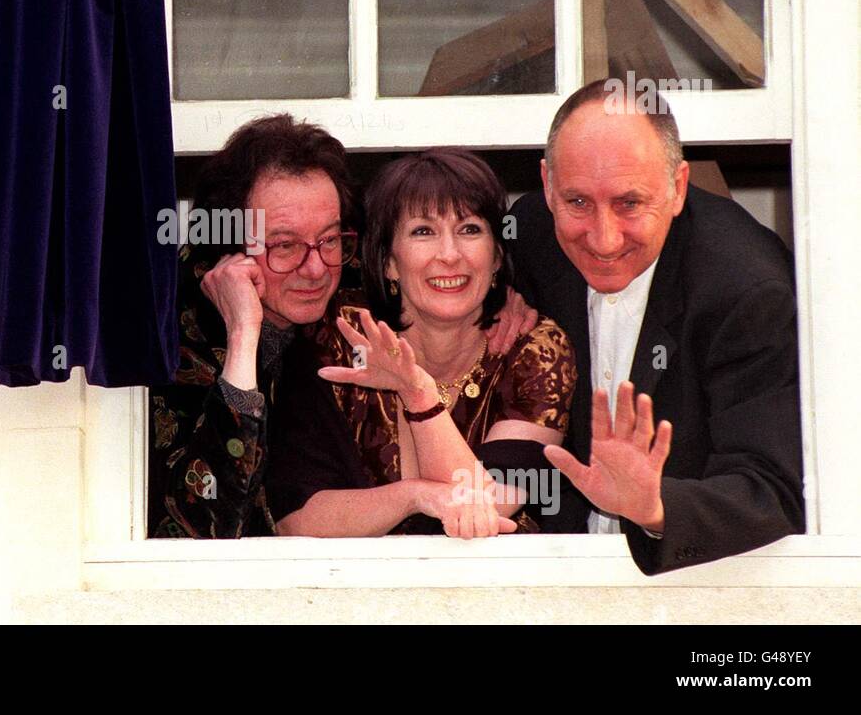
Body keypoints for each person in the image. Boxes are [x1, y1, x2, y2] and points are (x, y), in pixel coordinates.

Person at [149, 117, 536, 539]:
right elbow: (205, 525)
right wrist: (244, 337)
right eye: (284, 246)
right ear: (230, 248)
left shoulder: (354, 273)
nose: (315, 269)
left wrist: (498, 298)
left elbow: (440, 263)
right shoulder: (172, 327)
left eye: (329, 239)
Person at [508, 78, 805, 575]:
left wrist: (655, 507)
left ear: (678, 187)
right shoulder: (530, 234)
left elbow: (771, 490)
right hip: (553, 571)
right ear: (546, 185)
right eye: (577, 202)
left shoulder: (745, 289)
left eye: (629, 203)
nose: (602, 240)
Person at [265, 149, 576, 538]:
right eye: (423, 231)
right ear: (388, 263)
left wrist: (417, 395)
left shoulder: (535, 348)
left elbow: (482, 510)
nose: (449, 255)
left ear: (497, 256)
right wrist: (413, 496)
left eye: (469, 229)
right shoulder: (338, 335)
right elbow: (297, 520)